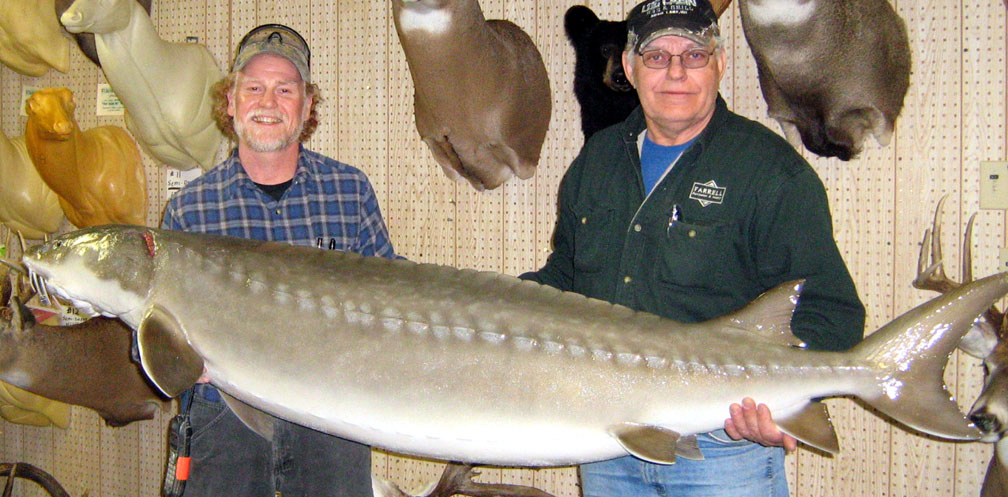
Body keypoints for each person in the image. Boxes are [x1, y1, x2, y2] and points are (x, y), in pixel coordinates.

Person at [520, 0, 865, 496]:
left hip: (723, 448)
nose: (676, 71)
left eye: (695, 55)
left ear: (720, 64)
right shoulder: (597, 158)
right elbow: (566, 281)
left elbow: (829, 312)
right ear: (629, 67)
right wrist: (480, 313)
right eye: (657, 56)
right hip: (606, 440)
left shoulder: (770, 172)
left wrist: (786, 398)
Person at [161, 24, 395, 497]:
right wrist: (180, 357)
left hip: (332, 420)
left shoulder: (350, 191)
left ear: (307, 107)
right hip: (223, 422)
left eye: (286, 89)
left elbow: (392, 302)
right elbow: (158, 327)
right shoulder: (189, 208)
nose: (268, 102)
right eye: (254, 88)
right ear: (231, 101)